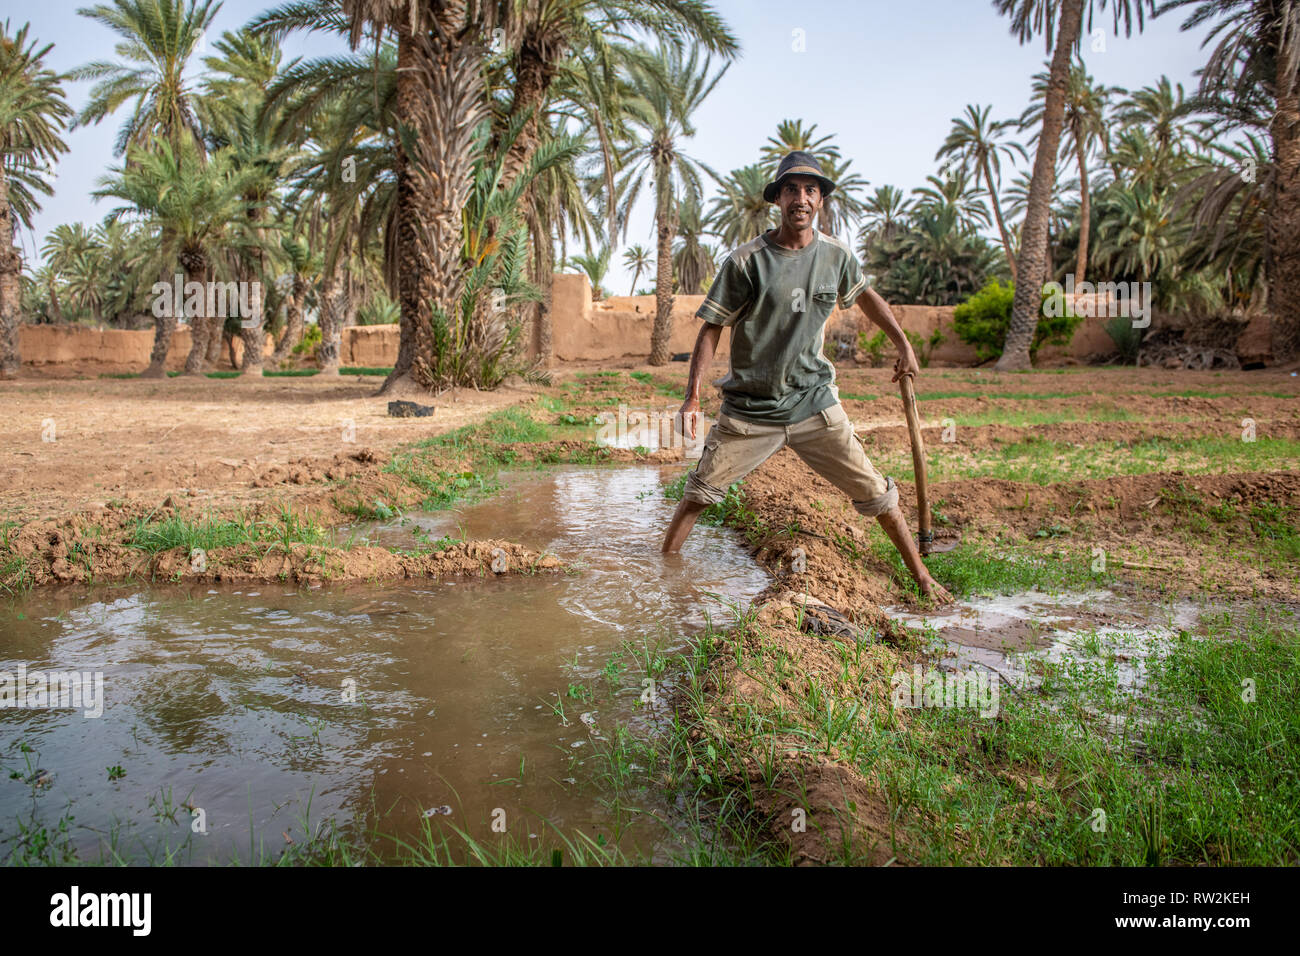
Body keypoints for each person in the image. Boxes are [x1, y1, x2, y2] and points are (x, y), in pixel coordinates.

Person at [660, 150, 954, 604]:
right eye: (792, 189)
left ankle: (922, 577)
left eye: (811, 190)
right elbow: (711, 328)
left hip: (813, 402)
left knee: (877, 494)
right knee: (700, 494)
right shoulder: (746, 262)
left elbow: (866, 296)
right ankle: (662, 574)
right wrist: (693, 396)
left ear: (820, 201)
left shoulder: (836, 255)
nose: (802, 198)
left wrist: (903, 344)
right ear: (777, 199)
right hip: (750, 409)